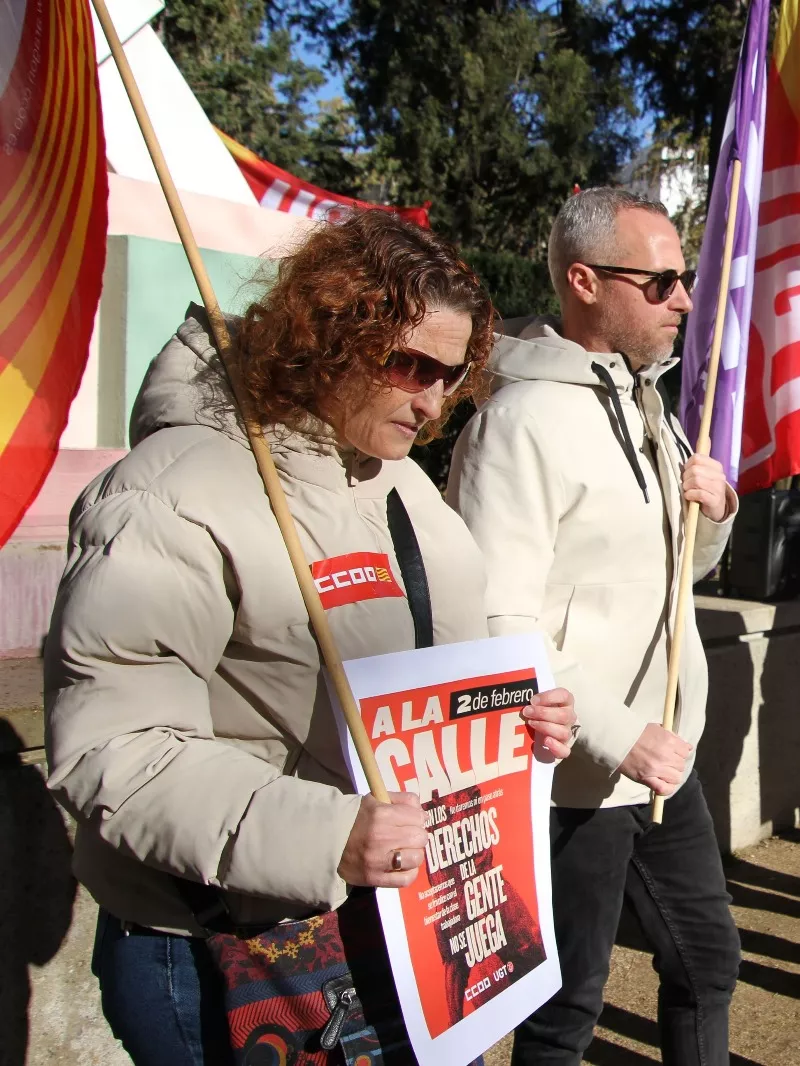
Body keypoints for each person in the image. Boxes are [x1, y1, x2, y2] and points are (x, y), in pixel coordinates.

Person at [43, 212, 576, 1066]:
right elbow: (116, 748)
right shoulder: (173, 491)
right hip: (219, 948)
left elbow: (429, 703)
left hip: (400, 932)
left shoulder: (410, 492)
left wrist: (515, 728)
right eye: (411, 366)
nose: (434, 402)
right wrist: (327, 836)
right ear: (329, 334)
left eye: (453, 375)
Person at [448, 188, 741, 1065]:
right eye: (660, 283)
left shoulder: (648, 406)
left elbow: (676, 571)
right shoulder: (518, 423)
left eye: (682, 280)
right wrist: (616, 736)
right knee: (563, 1011)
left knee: (709, 961)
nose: (683, 300)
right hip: (574, 774)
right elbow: (495, 622)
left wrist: (716, 512)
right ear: (584, 281)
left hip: (660, 756)